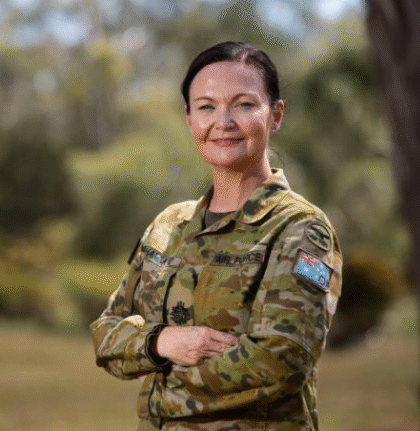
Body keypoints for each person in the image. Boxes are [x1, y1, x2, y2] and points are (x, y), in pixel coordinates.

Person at [90, 41, 343, 431]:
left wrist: (157, 389)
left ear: (275, 115)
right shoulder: (168, 227)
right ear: (189, 119)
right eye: (206, 106)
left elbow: (279, 364)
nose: (223, 122)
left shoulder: (299, 230)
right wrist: (161, 343)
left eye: (244, 104)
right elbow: (107, 334)